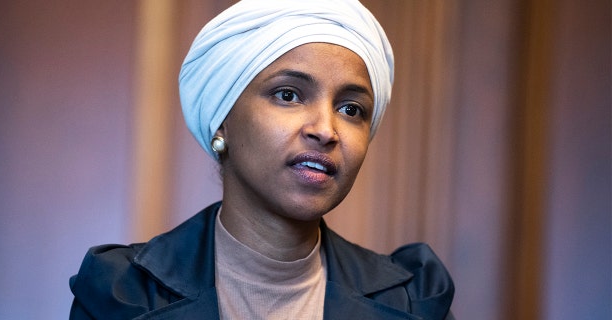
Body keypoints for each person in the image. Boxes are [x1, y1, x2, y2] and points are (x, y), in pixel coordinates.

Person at [69, 0, 455, 319]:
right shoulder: (121, 294)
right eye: (288, 95)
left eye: (351, 109)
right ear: (222, 121)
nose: (326, 129)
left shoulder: (413, 300)